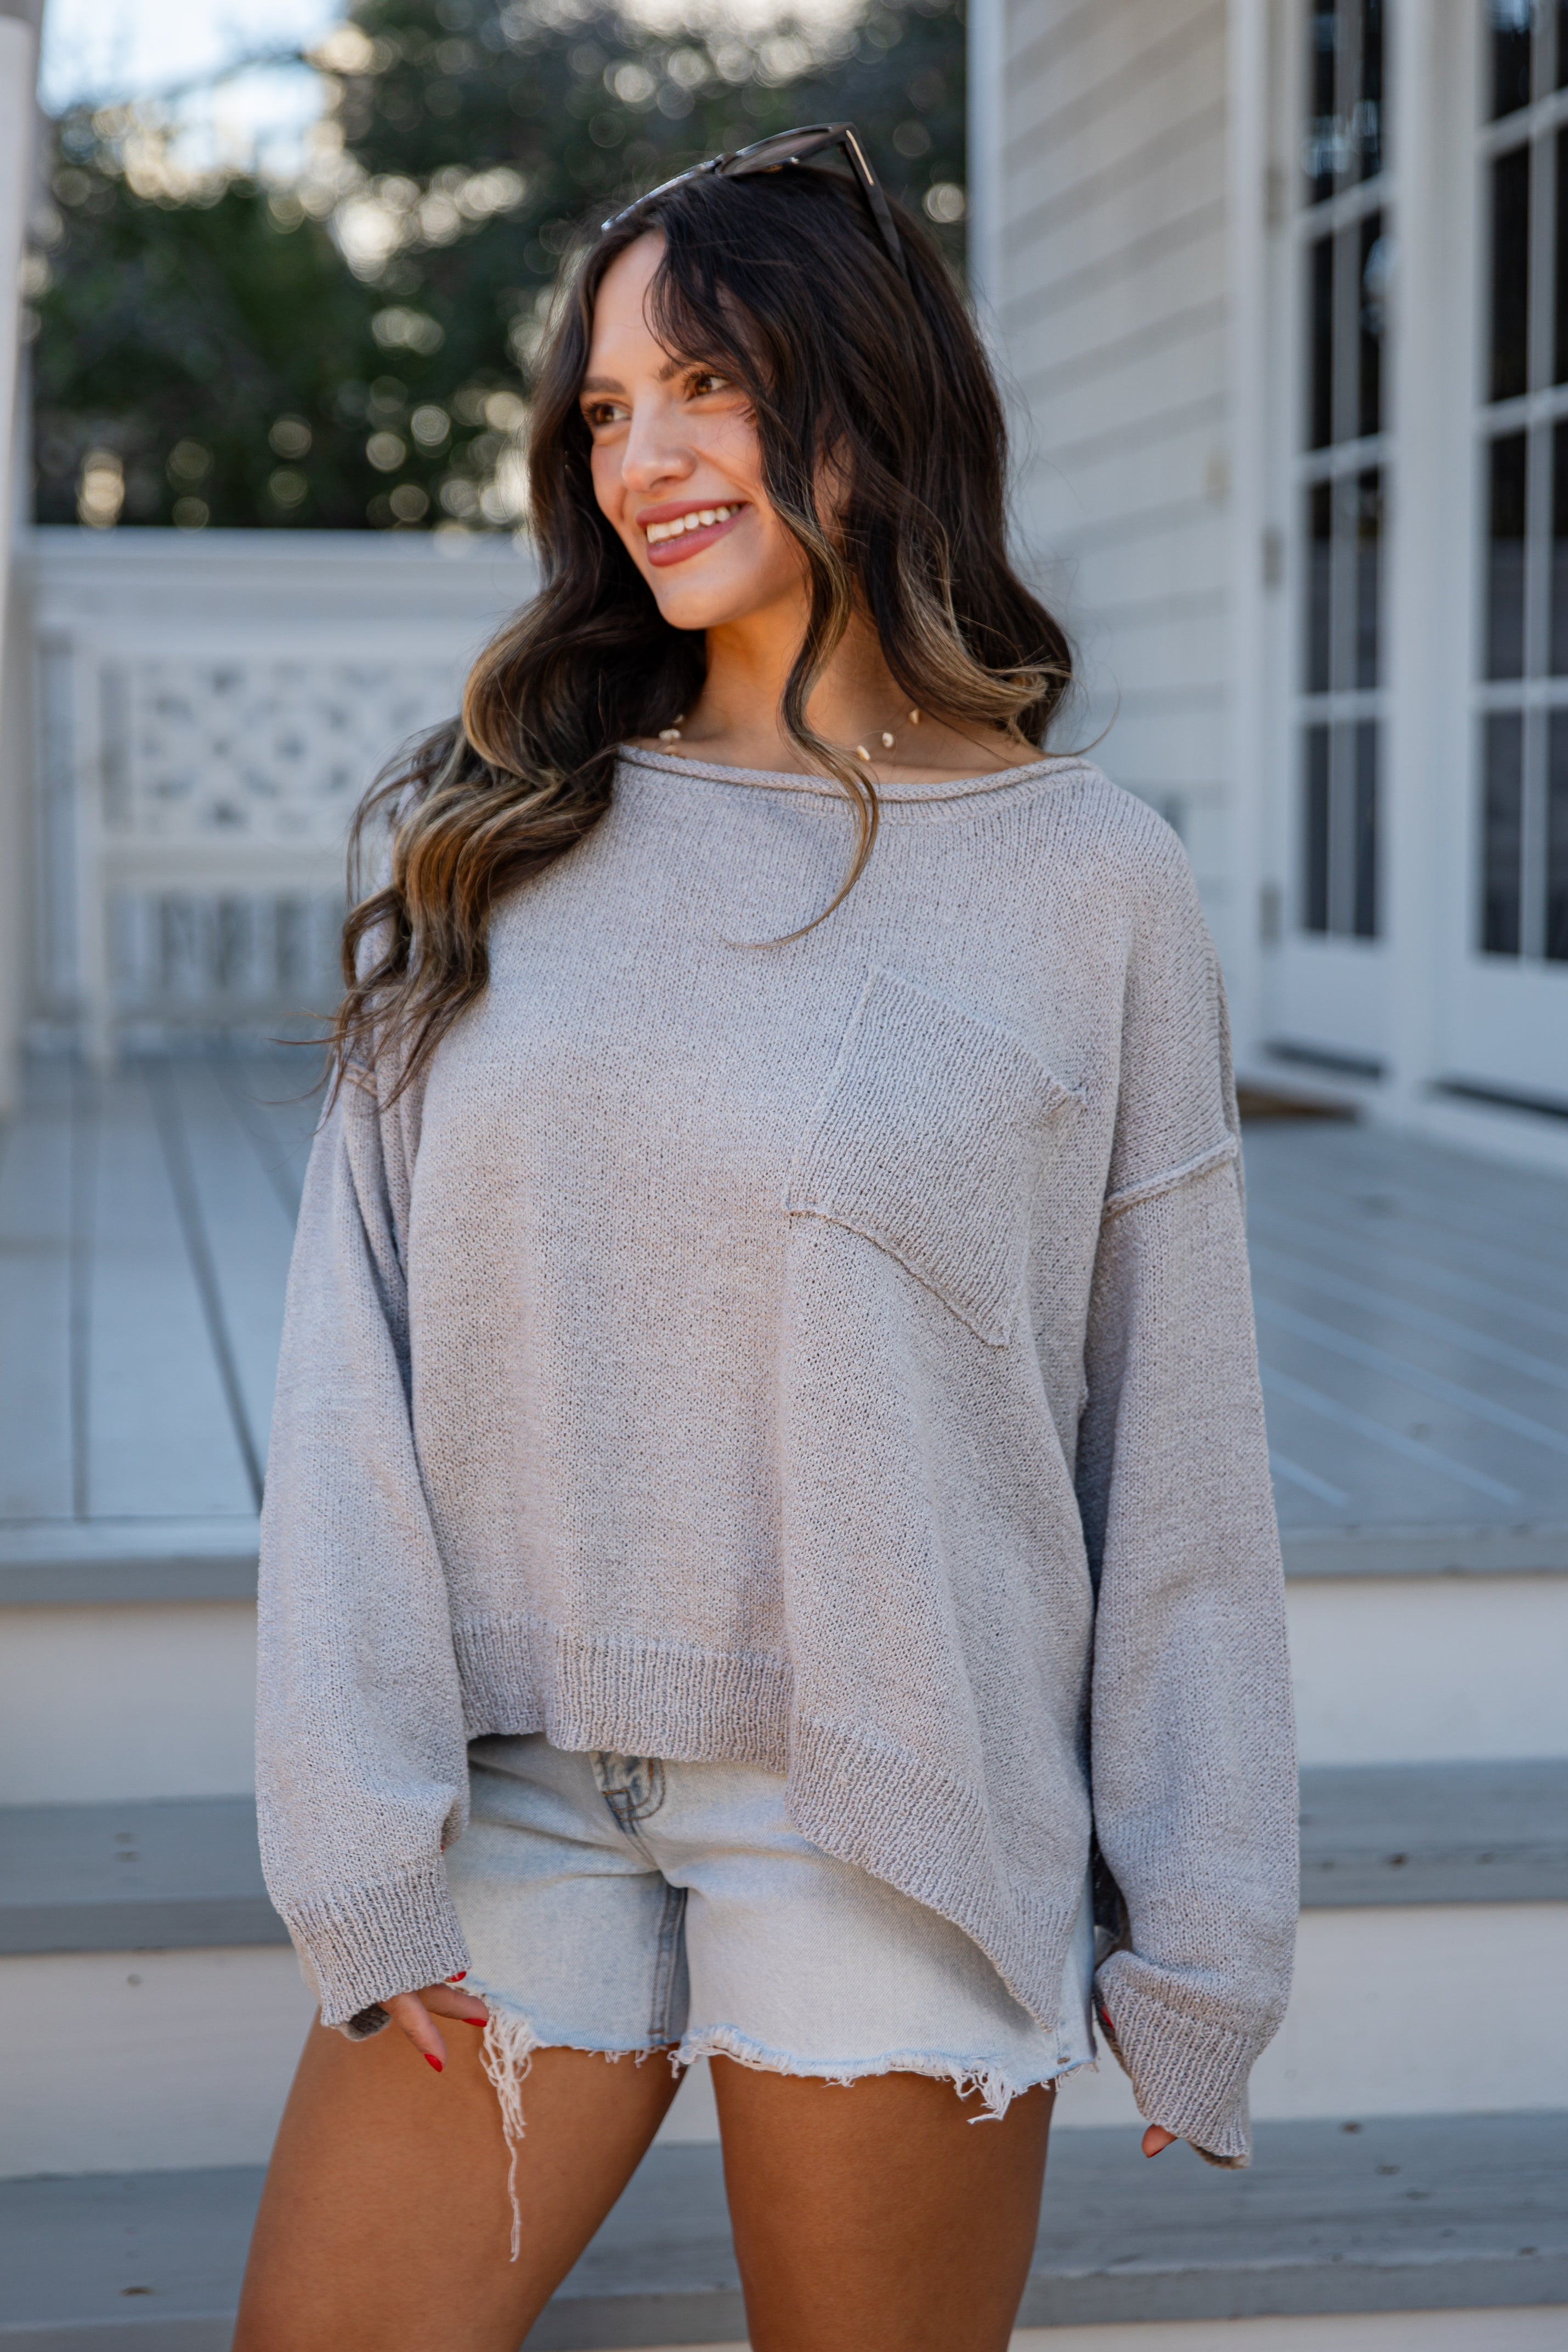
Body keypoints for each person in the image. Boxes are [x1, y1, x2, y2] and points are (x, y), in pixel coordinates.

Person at [235, 125, 1297, 2352]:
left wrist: (1200, 1937)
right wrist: (358, 1829)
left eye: (701, 383)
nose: (641, 457)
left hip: (889, 1790)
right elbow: (351, 1364)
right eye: (604, 411)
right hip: (508, 1783)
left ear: (863, 395)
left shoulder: (1088, 878)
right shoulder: (502, 831)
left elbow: (1173, 1427)